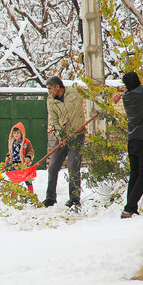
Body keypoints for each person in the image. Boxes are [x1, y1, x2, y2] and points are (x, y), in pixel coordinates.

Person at [112, 71, 143, 219]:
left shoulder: (126, 97)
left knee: (135, 174)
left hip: (132, 140)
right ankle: (129, 208)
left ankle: (130, 208)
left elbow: (133, 89)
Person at [42, 76, 86, 208]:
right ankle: (50, 198)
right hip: (62, 137)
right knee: (53, 167)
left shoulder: (74, 92)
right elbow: (53, 121)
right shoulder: (50, 101)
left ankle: (74, 199)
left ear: (57, 87)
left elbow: (92, 95)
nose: (49, 91)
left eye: (50, 88)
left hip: (77, 135)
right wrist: (58, 135)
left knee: (73, 167)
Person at [5, 122, 35, 193]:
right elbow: (10, 151)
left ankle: (31, 193)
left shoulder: (26, 142)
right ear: (12, 134)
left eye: (18, 133)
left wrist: (28, 157)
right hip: (14, 164)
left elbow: (30, 151)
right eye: (14, 133)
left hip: (23, 164)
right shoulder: (12, 142)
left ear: (22, 133)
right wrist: (8, 157)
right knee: (14, 180)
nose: (16, 135)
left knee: (27, 179)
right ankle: (13, 195)